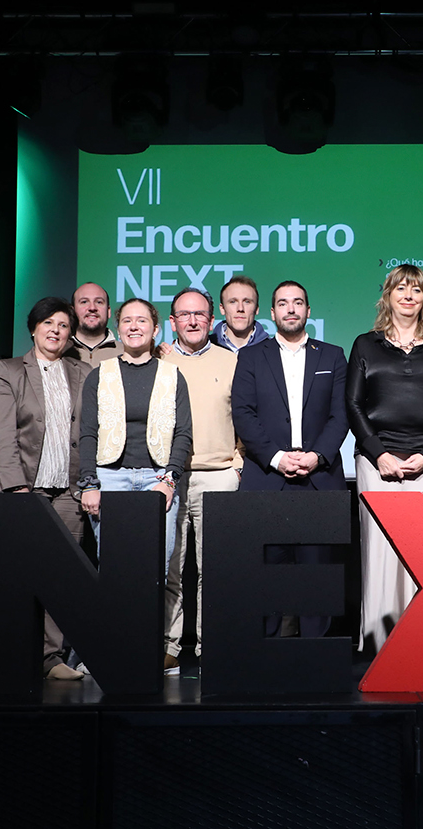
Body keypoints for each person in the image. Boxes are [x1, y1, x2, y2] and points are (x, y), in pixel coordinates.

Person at [346, 264, 423, 652]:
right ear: (388, 296)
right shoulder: (365, 344)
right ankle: (381, 641)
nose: (409, 295)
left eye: (416, 289)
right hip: (376, 461)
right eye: (401, 288)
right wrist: (378, 454)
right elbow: (353, 403)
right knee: (380, 552)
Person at [231, 280, 349, 638]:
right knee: (265, 573)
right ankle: (264, 655)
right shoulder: (251, 357)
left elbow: (341, 414)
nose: (291, 309)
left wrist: (317, 456)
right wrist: (278, 457)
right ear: (272, 313)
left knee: (317, 576)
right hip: (267, 478)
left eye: (298, 302)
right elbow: (243, 413)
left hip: (319, 479)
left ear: (309, 311)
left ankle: (316, 657)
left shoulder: (332, 355)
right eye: (283, 303)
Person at [77, 298, 193, 660]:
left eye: (142, 321)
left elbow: (184, 434)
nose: (134, 326)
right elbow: (88, 433)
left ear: (156, 329)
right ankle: (117, 648)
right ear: (119, 327)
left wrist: (170, 480)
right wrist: (90, 483)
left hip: (158, 478)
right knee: (115, 567)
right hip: (111, 479)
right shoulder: (101, 373)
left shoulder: (172, 375)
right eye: (127, 320)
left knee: (156, 567)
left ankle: (146, 646)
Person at [0, 297, 91, 681]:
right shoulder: (11, 370)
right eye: (48, 323)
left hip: (68, 490)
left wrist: (87, 484)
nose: (55, 331)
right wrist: (15, 487)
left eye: (63, 325)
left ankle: (51, 659)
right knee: (18, 574)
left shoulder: (81, 372)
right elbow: (2, 433)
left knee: (61, 578)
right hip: (24, 490)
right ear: (33, 328)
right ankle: (13, 651)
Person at [160, 288, 242, 673]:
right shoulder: (157, 361)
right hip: (169, 480)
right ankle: (170, 646)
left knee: (216, 570)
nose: (193, 321)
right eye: (184, 314)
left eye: (201, 314)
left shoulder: (233, 361)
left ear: (213, 320)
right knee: (170, 568)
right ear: (172, 320)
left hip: (220, 476)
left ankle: (213, 647)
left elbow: (246, 418)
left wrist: (237, 464)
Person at [211, 275, 271, 353]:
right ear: (222, 309)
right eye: (233, 302)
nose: (240, 309)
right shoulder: (206, 348)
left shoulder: (273, 350)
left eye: (247, 302)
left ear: (256, 309)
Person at [70, 282, 122, 365]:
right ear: (72, 311)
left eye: (99, 302)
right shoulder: (60, 352)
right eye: (84, 302)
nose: (92, 308)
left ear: (108, 311)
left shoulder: (126, 354)